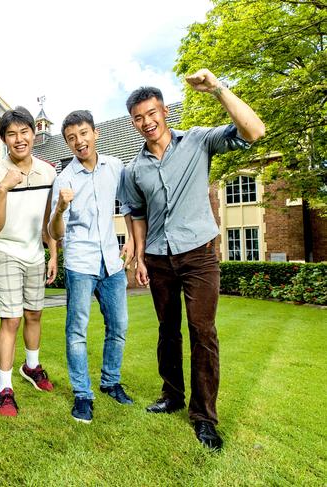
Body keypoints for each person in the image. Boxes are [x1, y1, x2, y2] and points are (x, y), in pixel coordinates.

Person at [123, 68, 265, 450]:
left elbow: (254, 132)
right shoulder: (133, 169)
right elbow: (135, 214)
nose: (146, 122)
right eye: (138, 117)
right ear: (133, 123)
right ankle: (172, 395)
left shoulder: (199, 140)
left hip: (199, 254)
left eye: (151, 113)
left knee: (203, 332)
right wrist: (137, 255)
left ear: (164, 111)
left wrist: (218, 88)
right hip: (157, 257)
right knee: (167, 331)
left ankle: (204, 417)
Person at [48, 110, 134, 424]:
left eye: (83, 133)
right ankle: (82, 394)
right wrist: (59, 208)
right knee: (76, 332)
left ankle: (111, 382)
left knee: (119, 327)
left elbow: (127, 205)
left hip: (112, 261)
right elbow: (55, 232)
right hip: (80, 264)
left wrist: (133, 241)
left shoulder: (115, 167)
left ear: (95, 133)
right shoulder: (64, 179)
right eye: (72, 138)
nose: (79, 141)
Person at [0, 107, 57, 417]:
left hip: (35, 254)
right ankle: (5, 389)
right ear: (4, 140)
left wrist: (53, 252)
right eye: (11, 134)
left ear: (33, 134)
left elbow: (48, 220)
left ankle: (32, 367)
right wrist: (4, 189)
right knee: (11, 319)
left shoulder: (48, 172)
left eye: (23, 132)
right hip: (6, 251)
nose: (19, 139)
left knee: (34, 315)